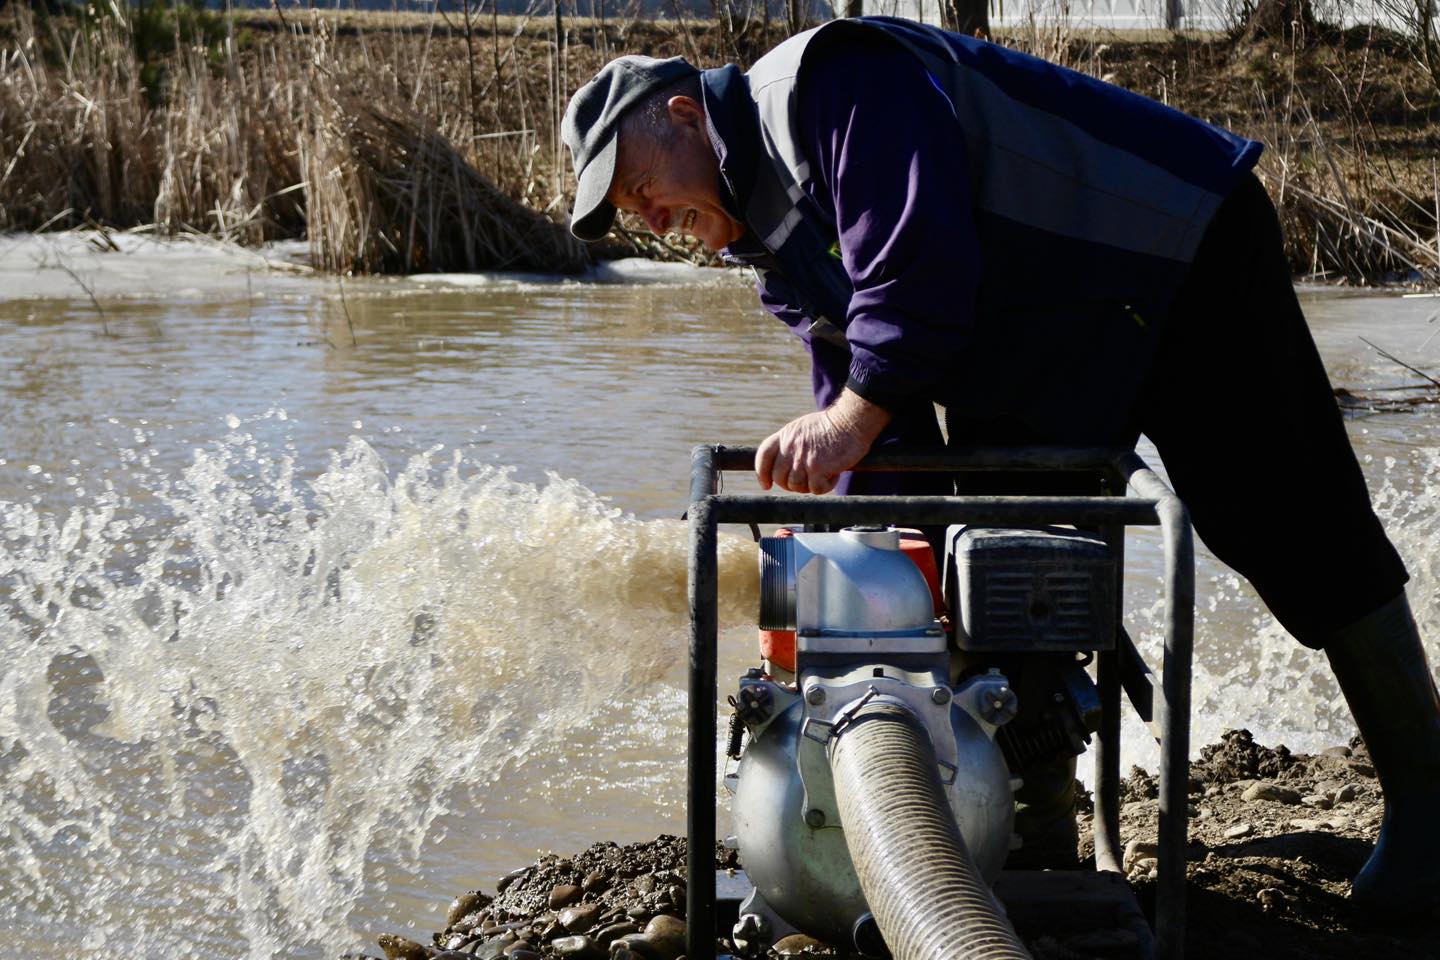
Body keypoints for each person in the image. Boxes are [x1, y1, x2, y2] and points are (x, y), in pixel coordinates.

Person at [561, 15, 1439, 913]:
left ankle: (1429, 809)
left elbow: (916, 278)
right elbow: (875, 427)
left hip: (1168, 252)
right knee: (999, 563)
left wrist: (851, 423)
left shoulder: (834, 81)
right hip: (1042, 327)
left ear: (682, 114)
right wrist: (869, 571)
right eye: (635, 214)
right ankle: (1035, 845)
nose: (653, 219)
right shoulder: (770, 243)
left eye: (640, 188)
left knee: (1288, 521)